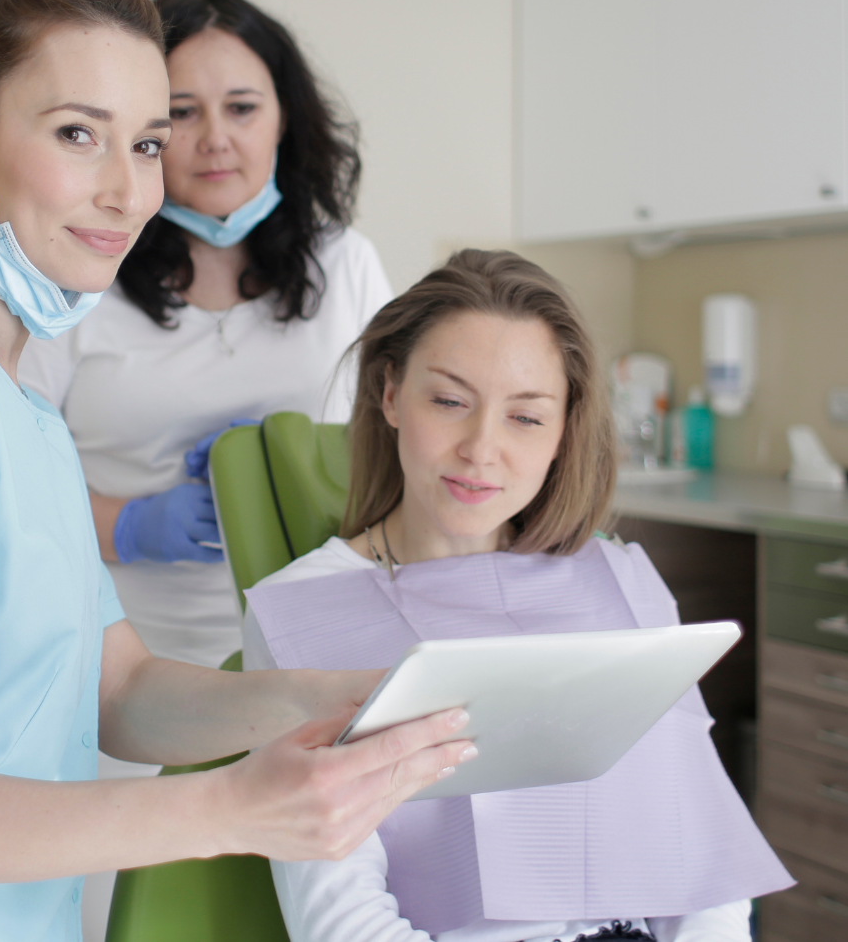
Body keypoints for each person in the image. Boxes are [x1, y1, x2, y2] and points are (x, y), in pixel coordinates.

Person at [0, 0, 473, 942]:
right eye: (78, 134)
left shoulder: (15, 407)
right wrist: (228, 809)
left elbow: (118, 690)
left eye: (146, 143)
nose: (128, 191)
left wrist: (357, 700)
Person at [243, 249, 792, 942]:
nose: (481, 449)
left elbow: (702, 866)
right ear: (390, 394)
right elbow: (341, 919)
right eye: (449, 401)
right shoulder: (301, 611)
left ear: (564, 432)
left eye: (526, 417)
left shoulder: (618, 580)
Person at [20, 0, 393, 671]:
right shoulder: (78, 273)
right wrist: (127, 525)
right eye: (182, 112)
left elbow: (401, 452)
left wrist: (303, 460)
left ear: (284, 118)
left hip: (314, 653)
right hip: (118, 660)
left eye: (242, 108)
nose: (215, 139)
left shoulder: (347, 265)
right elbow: (7, 482)